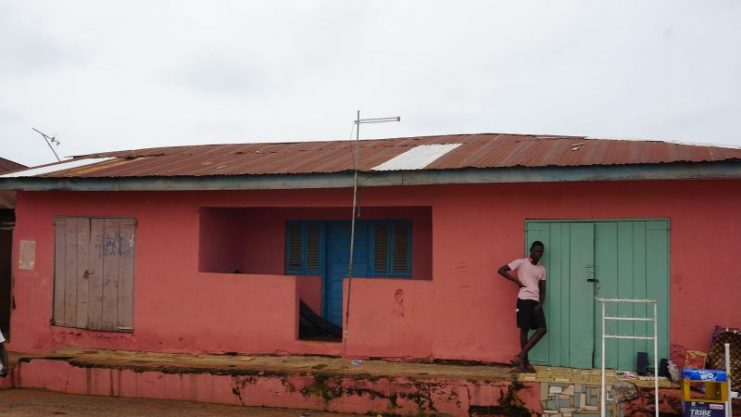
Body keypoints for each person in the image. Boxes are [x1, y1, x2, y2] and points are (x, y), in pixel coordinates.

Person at [498, 241, 547, 373]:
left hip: (535, 302)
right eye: (536, 251)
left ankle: (520, 357)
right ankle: (524, 364)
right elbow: (501, 270)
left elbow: (543, 288)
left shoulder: (541, 269)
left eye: (541, 252)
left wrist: (540, 304)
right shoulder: (521, 262)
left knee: (542, 329)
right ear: (531, 250)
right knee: (524, 330)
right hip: (523, 300)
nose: (539, 253)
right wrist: (517, 282)